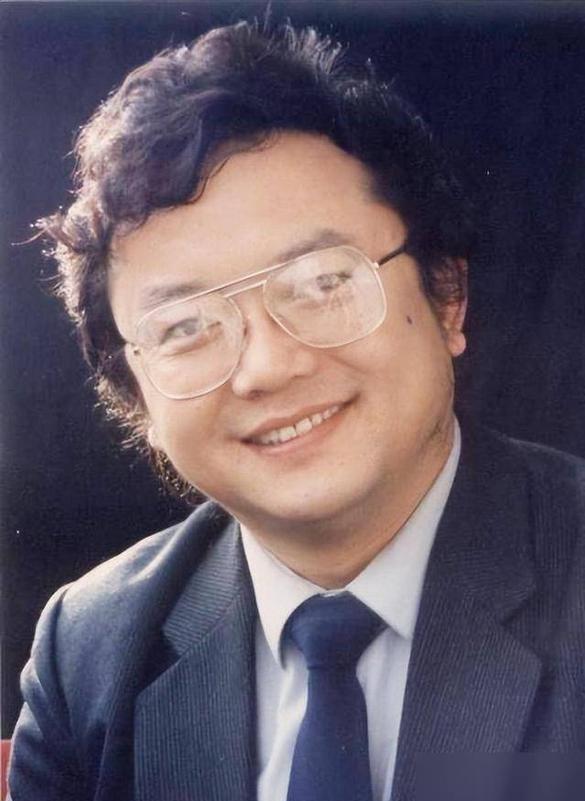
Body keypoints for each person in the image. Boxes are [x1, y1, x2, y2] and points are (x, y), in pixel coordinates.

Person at [7, 19, 585, 801]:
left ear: (446, 296)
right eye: (185, 327)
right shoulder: (90, 647)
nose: (268, 367)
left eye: (320, 282)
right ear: (135, 395)